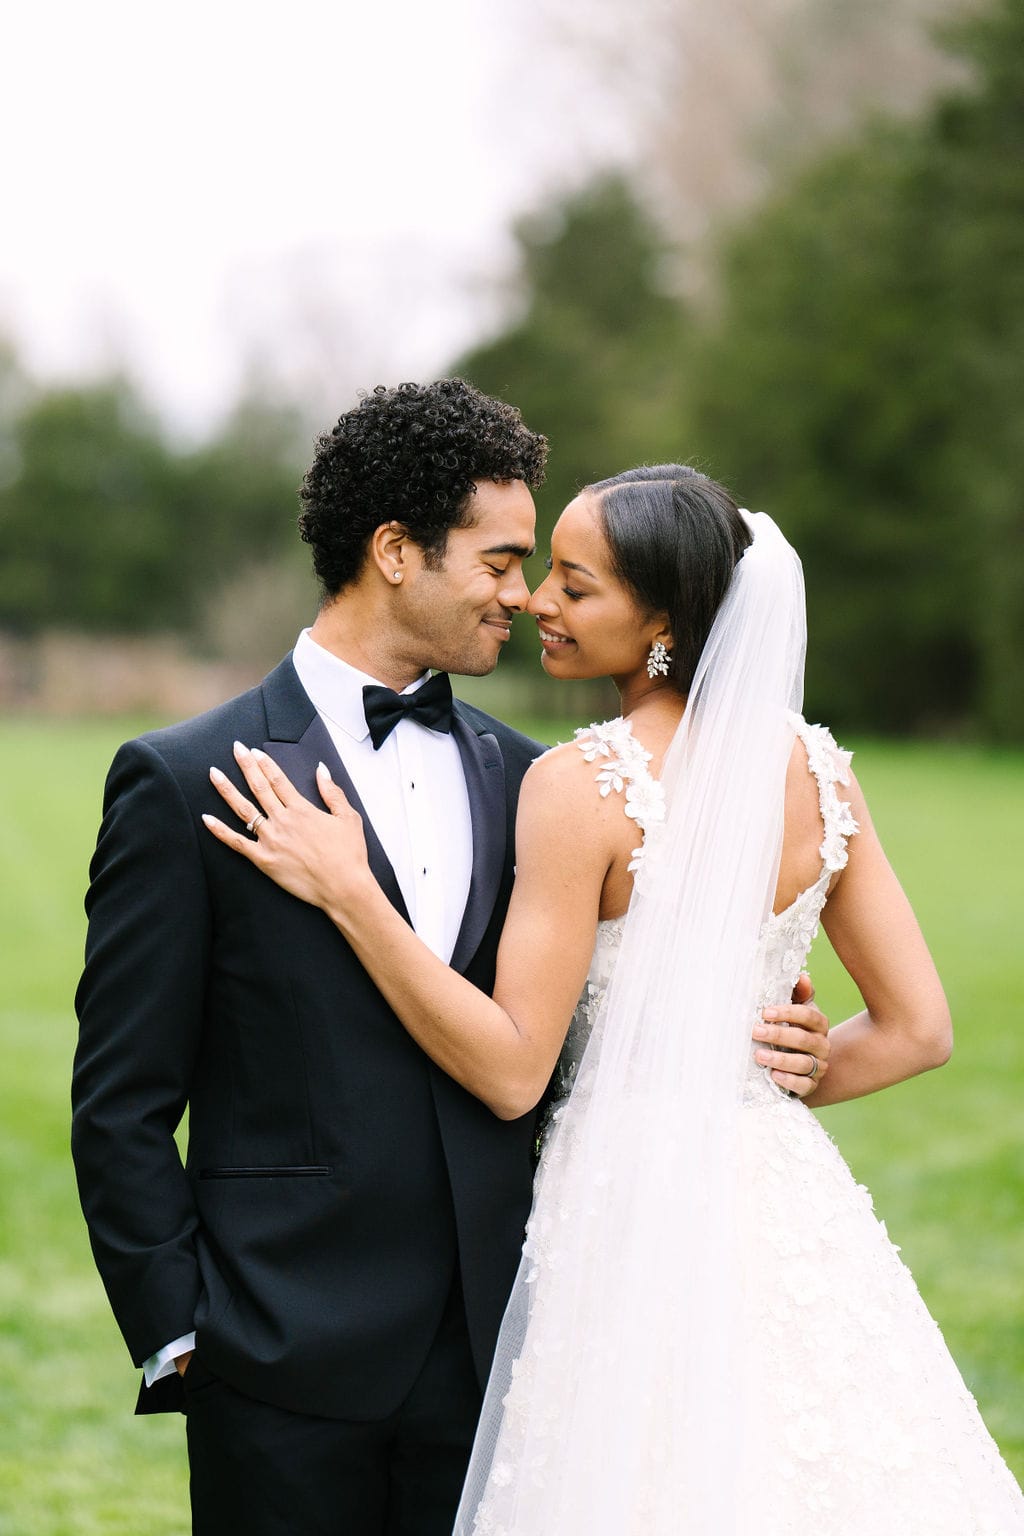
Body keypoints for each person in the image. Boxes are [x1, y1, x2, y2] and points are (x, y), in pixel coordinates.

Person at [206, 464, 1024, 1533]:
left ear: (664, 624)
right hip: (775, 1192)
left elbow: (509, 1070)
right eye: (543, 572)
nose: (537, 600)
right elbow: (919, 1030)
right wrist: (776, 1072)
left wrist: (354, 895)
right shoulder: (818, 771)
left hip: (627, 1202)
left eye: (575, 585)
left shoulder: (579, 785)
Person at [71, 388, 831, 1536]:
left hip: (506, 1353)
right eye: (501, 559)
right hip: (276, 1358)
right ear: (393, 553)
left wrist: (747, 1019)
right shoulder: (186, 779)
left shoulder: (535, 778)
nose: (524, 596)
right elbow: (120, 1101)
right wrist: (183, 1336)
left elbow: (575, 1032)